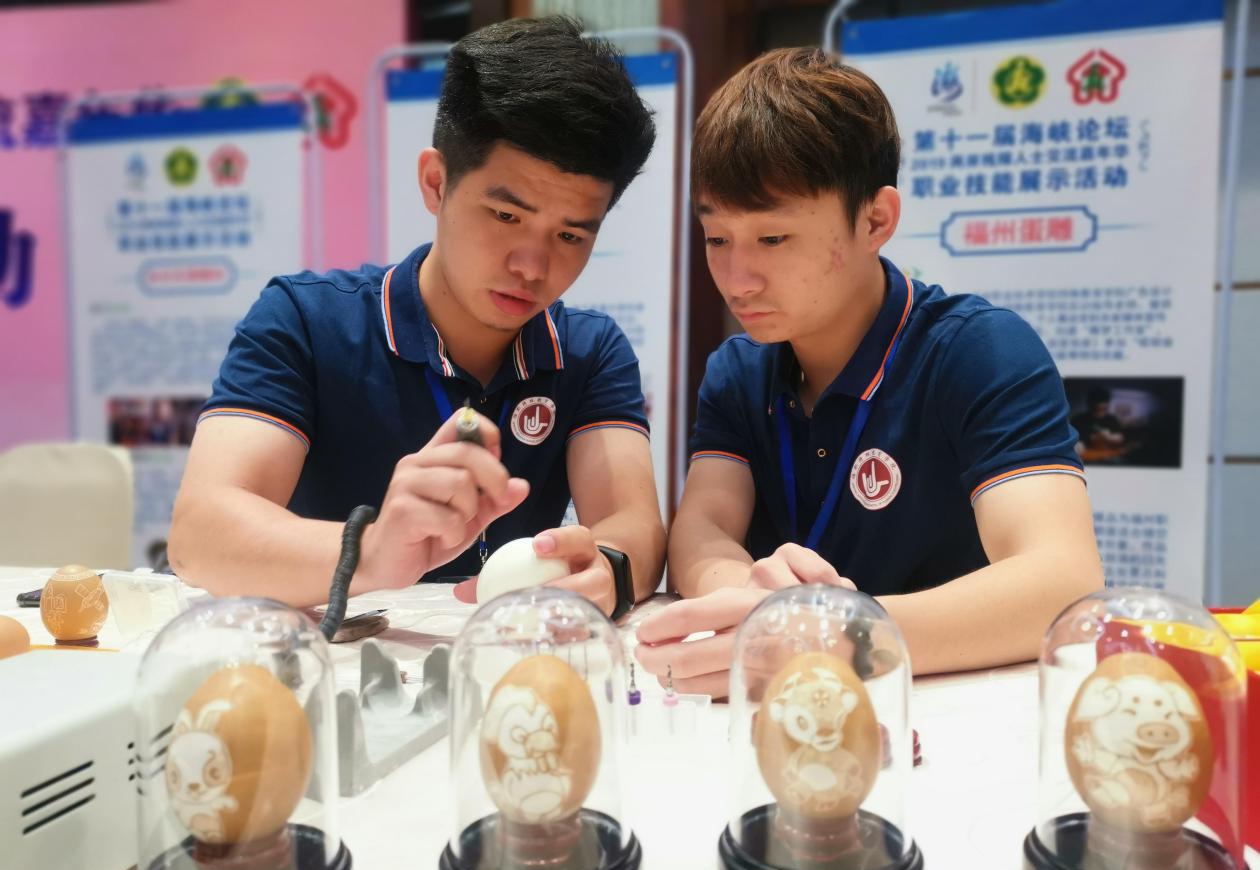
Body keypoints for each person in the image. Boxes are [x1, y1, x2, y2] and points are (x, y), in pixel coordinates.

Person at [636, 48, 1103, 696]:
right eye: (717, 238)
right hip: (786, 708)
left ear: (876, 220)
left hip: (950, 712)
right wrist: (760, 608)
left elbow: (1064, 581)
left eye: (773, 239)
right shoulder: (739, 370)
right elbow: (705, 529)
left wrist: (841, 633)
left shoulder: (980, 351)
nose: (737, 279)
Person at [169, 17, 666, 617]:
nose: (532, 267)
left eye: (569, 235)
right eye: (506, 217)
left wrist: (606, 568)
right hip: (324, 657)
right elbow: (201, 534)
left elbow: (634, 524)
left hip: (507, 655)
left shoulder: (588, 351)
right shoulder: (307, 321)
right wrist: (373, 551)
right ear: (436, 182)